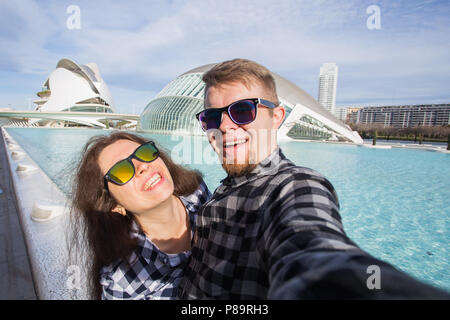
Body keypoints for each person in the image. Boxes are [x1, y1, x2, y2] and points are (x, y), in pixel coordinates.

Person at [178, 58, 449, 299]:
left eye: (242, 111)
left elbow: (311, 246)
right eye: (212, 116)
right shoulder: (228, 187)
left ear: (276, 117)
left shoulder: (293, 186)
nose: (224, 126)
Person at [70, 131, 210, 300]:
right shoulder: (123, 283)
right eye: (121, 170)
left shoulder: (198, 193)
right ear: (113, 204)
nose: (142, 166)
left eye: (144, 153)